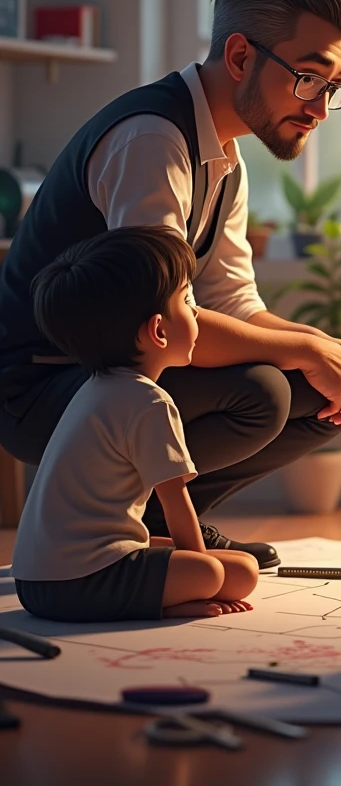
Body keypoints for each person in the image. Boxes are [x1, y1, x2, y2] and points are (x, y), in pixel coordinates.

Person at [0, 0, 341, 569]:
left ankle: (167, 525)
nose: (319, 108)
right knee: (263, 391)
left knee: (324, 396)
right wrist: (302, 349)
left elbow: (234, 304)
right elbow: (147, 326)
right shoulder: (152, 139)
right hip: (40, 389)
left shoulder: (224, 155)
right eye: (309, 79)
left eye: (335, 87)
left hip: (117, 373)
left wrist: (329, 352)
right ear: (239, 56)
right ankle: (139, 526)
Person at [12, 227, 259, 622]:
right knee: (214, 571)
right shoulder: (148, 401)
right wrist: (200, 576)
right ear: (159, 330)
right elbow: (176, 505)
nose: (196, 312)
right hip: (75, 583)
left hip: (37, 578)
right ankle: (164, 606)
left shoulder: (97, 388)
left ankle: (169, 593)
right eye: (189, 300)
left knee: (241, 568)